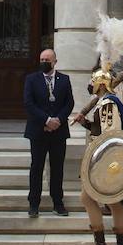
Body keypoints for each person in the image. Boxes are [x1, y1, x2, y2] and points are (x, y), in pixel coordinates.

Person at [76, 15, 123, 245]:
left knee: (87, 198)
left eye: (93, 80)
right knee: (115, 202)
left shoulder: (108, 103)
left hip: (107, 159)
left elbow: (107, 136)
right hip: (113, 158)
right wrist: (87, 123)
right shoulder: (109, 102)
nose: (90, 83)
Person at [23, 47, 73, 217]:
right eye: (42, 60)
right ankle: (34, 204)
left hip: (59, 131)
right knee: (36, 167)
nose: (44, 63)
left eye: (47, 60)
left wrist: (58, 120)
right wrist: (46, 120)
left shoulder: (64, 79)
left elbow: (69, 103)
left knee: (57, 168)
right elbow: (29, 103)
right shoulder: (32, 79)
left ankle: (58, 202)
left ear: (55, 62)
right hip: (38, 131)